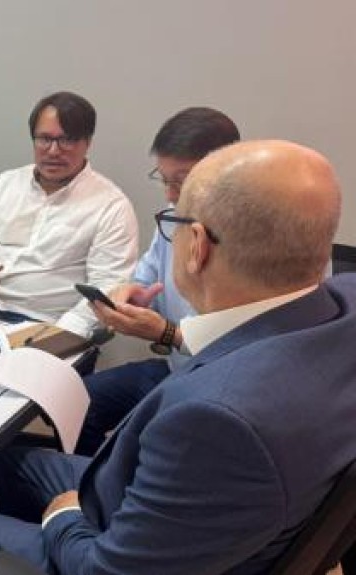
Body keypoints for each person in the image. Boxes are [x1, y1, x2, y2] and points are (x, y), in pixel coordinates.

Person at [0, 139, 356, 575]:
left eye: (173, 222)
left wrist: (63, 519)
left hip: (114, 552)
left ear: (197, 246)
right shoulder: (345, 301)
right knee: (15, 464)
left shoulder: (219, 422)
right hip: (180, 511)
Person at [75, 107, 240, 455]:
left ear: (227, 172)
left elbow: (242, 343)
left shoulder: (250, 241)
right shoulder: (172, 222)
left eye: (181, 181)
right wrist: (128, 294)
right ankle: (88, 483)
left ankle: (111, 484)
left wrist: (167, 333)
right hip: (173, 368)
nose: (170, 194)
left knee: (145, 442)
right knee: (76, 403)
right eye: (164, 180)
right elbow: (143, 278)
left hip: (221, 385)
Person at [0, 91, 138, 338]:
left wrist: (57, 338)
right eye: (44, 139)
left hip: (43, 321)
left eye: (66, 140)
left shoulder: (111, 206)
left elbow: (108, 287)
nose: (53, 151)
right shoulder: (2, 185)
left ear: (87, 142)